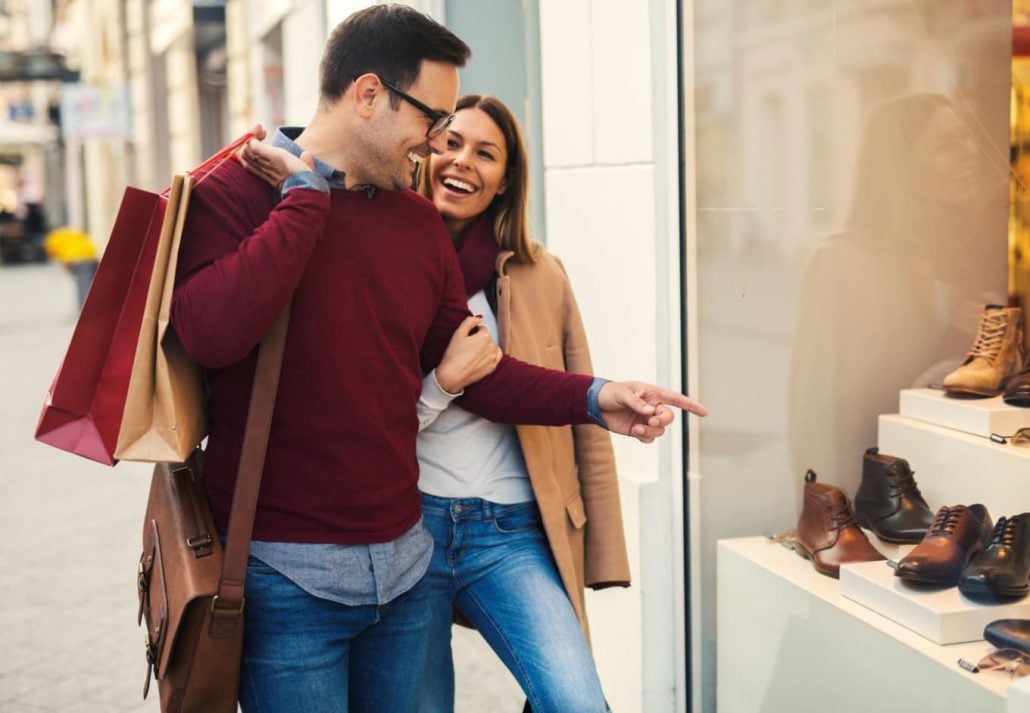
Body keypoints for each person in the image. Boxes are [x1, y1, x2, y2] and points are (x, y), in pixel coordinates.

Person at [172, 6, 706, 713]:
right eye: (432, 120)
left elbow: (479, 371)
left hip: (402, 572)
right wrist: (303, 201)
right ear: (367, 95)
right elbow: (210, 334)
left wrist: (595, 397)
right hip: (283, 576)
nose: (435, 144)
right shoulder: (233, 193)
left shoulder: (416, 224)